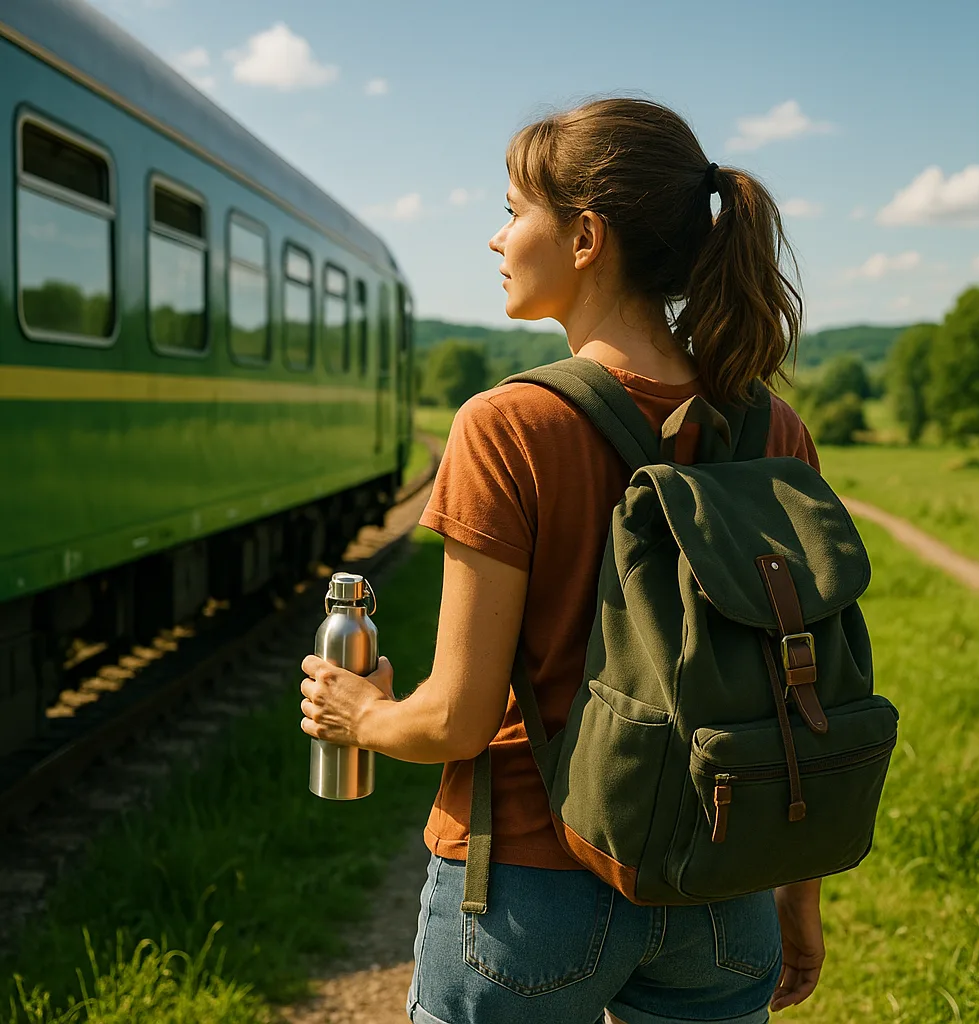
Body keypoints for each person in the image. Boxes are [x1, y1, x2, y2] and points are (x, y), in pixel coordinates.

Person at [300, 97, 826, 1024]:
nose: (497, 239)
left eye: (513, 211)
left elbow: (456, 723)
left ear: (585, 237)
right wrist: (797, 896)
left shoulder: (507, 425)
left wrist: (361, 713)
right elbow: (802, 690)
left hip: (528, 893)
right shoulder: (772, 427)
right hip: (721, 887)